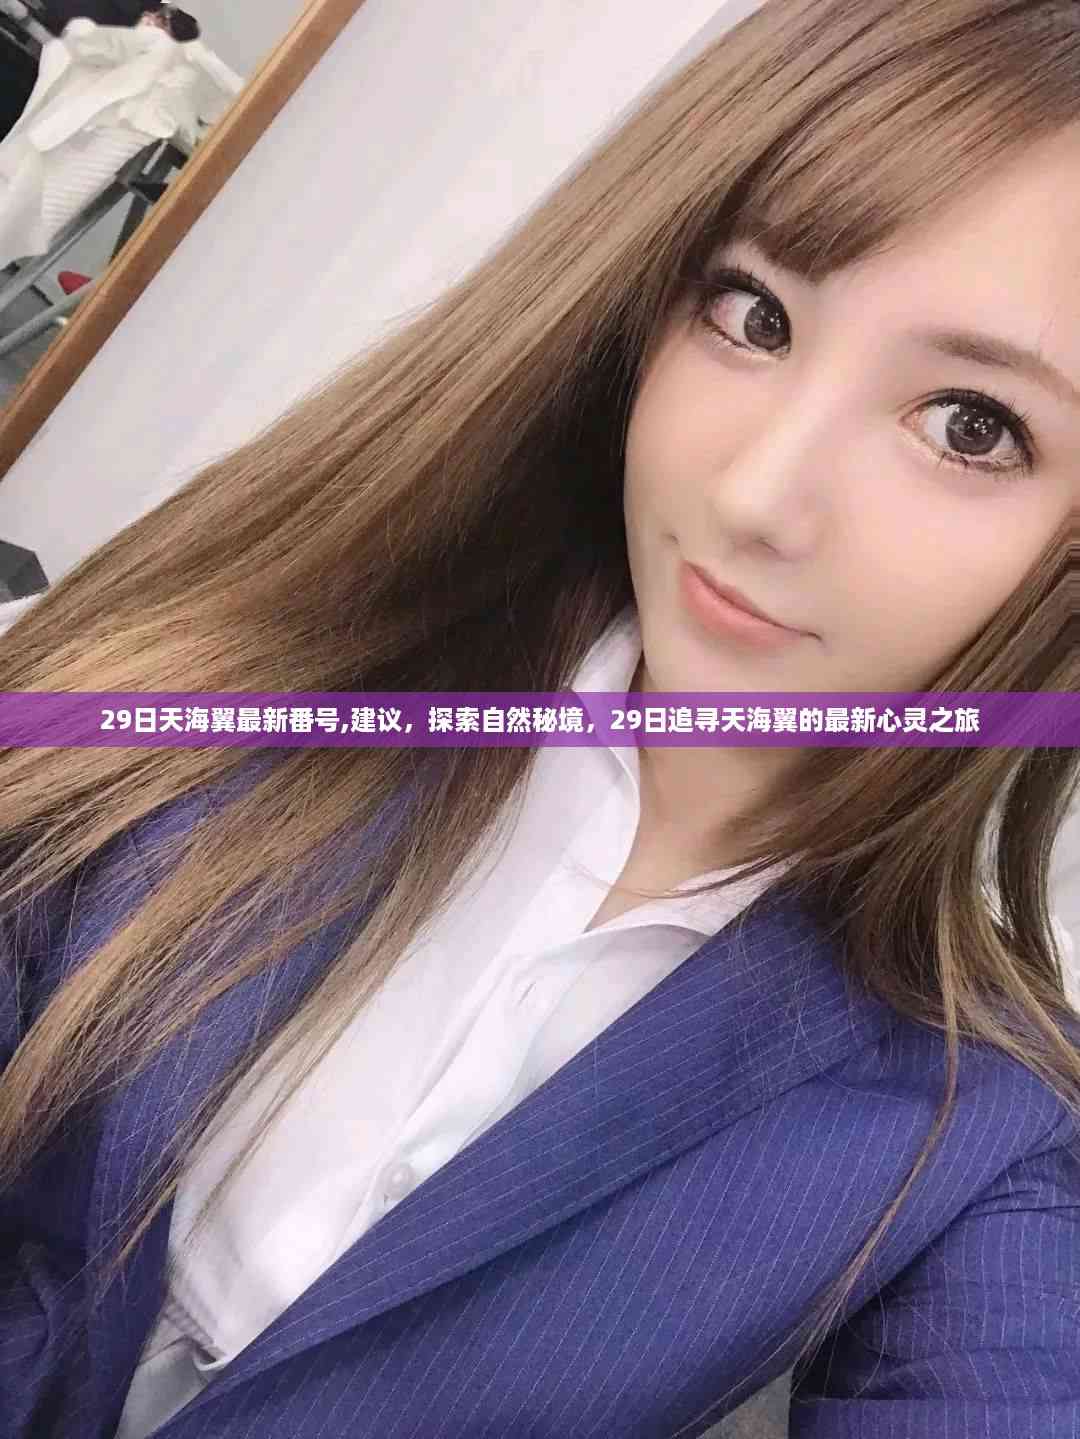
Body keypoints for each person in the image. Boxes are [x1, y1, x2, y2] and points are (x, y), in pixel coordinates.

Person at [0, 0, 1078, 1435]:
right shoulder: (275, 658)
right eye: (754, 314)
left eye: (969, 424)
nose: (754, 494)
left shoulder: (981, 1120)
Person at [0, 5, 238, 271]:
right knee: (33, 206)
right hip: (103, 141)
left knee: (24, 193)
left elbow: (85, 41)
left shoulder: (158, 46)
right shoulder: (186, 66)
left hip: (87, 136)